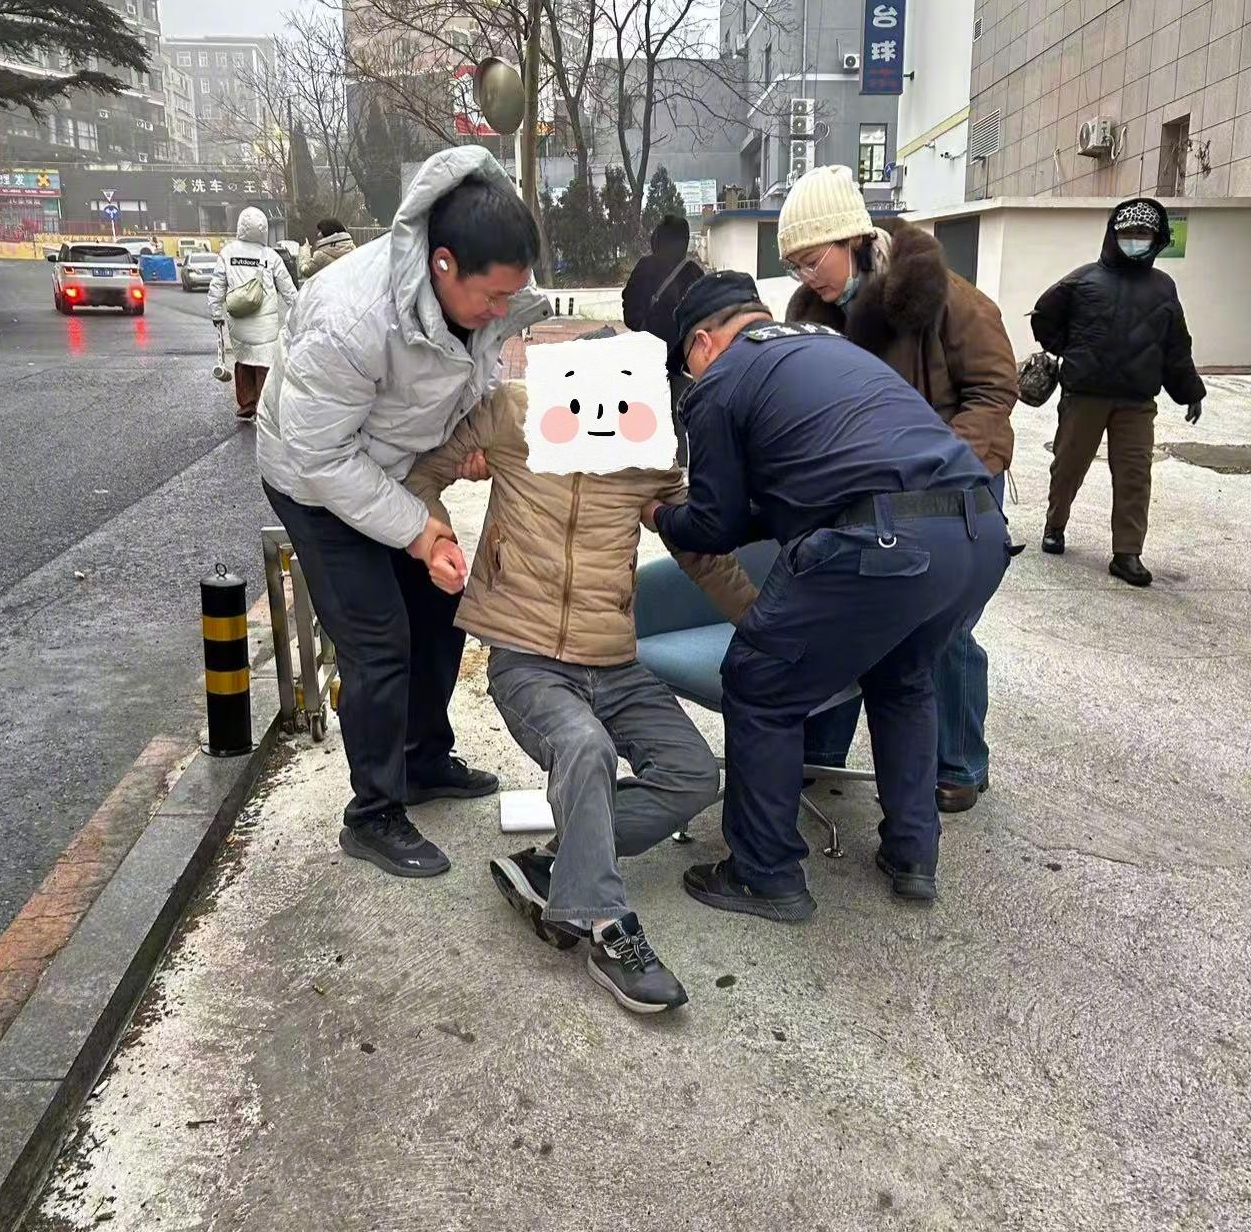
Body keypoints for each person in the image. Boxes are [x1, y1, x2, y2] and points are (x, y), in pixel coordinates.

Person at [405, 335, 756, 1015]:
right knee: (584, 748)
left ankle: (560, 866)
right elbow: (424, 473)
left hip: (614, 663)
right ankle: (606, 927)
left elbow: (702, 555)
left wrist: (763, 624)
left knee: (692, 774)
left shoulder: (647, 453)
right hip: (526, 656)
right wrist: (437, 538)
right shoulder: (511, 416)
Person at [645, 271, 1013, 918]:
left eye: (688, 366)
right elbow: (800, 489)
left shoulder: (723, 382)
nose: (692, 380)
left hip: (882, 541)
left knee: (760, 681)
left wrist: (659, 514)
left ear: (703, 342)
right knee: (903, 680)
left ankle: (764, 873)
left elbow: (716, 524)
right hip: (978, 530)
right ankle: (911, 855)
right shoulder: (830, 349)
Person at [257, 147, 550, 879]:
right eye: (492, 300)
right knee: (378, 638)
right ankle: (374, 812)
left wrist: (468, 441)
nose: (499, 313)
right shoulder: (351, 317)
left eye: (510, 299)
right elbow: (322, 456)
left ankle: (423, 759)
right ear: (443, 264)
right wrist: (419, 529)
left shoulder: (486, 290)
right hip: (315, 478)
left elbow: (474, 376)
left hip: (398, 467)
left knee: (443, 602)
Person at [778, 165, 1018, 814]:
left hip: (955, 494)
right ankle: (819, 753)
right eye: (796, 266)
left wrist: (942, 461)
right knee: (847, 620)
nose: (809, 277)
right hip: (864, 496)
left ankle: (960, 762)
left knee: (941, 634)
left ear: (852, 237)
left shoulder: (944, 298)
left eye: (813, 258)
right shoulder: (815, 319)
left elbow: (995, 388)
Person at [1032, 197, 1204, 588]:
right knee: (1068, 466)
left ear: (1156, 239)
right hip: (1085, 395)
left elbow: (1176, 346)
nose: (1135, 240)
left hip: (1136, 402)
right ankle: (1055, 525)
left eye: (1143, 234)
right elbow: (1044, 315)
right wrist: (1068, 349)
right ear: (1113, 235)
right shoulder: (1084, 280)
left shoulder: (1163, 288)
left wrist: (1191, 390)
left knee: (1134, 476)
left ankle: (1128, 554)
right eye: (1127, 233)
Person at [622, 213, 703, 459]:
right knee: (682, 424)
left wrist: (646, 326)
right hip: (684, 362)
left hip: (648, 359)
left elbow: (629, 311)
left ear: (658, 238)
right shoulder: (694, 273)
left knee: (645, 420)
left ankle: (649, 477)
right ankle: (681, 477)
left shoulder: (645, 267)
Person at [208, 206, 297, 421]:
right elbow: (287, 288)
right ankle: (263, 404)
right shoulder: (270, 256)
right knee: (265, 362)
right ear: (263, 229)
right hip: (265, 322)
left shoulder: (228, 253)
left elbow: (217, 285)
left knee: (243, 360)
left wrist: (216, 312)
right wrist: (300, 310)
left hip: (238, 319)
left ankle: (246, 403)